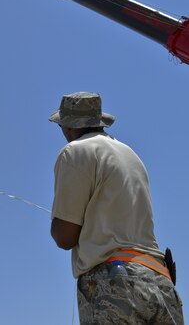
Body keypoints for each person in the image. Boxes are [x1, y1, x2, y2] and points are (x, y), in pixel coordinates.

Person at [49, 92, 184, 324]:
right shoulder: (131, 155)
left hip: (115, 283)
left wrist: (57, 224)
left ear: (68, 126)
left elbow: (65, 237)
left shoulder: (74, 152)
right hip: (160, 281)